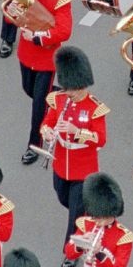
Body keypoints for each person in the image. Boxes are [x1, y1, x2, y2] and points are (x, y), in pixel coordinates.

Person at [9, 0, 73, 165]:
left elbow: (64, 31)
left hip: (47, 60)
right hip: (26, 56)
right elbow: (10, 13)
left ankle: (34, 145)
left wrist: (37, 37)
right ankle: (62, 95)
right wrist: (14, 10)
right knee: (30, 90)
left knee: (38, 105)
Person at [43, 47, 108, 251]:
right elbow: (47, 121)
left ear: (82, 85)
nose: (68, 92)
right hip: (61, 163)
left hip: (83, 169)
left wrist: (77, 130)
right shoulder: (59, 100)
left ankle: (70, 251)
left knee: (75, 215)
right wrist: (47, 132)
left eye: (72, 89)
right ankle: (88, 221)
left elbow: (101, 139)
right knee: (65, 199)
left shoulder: (94, 108)